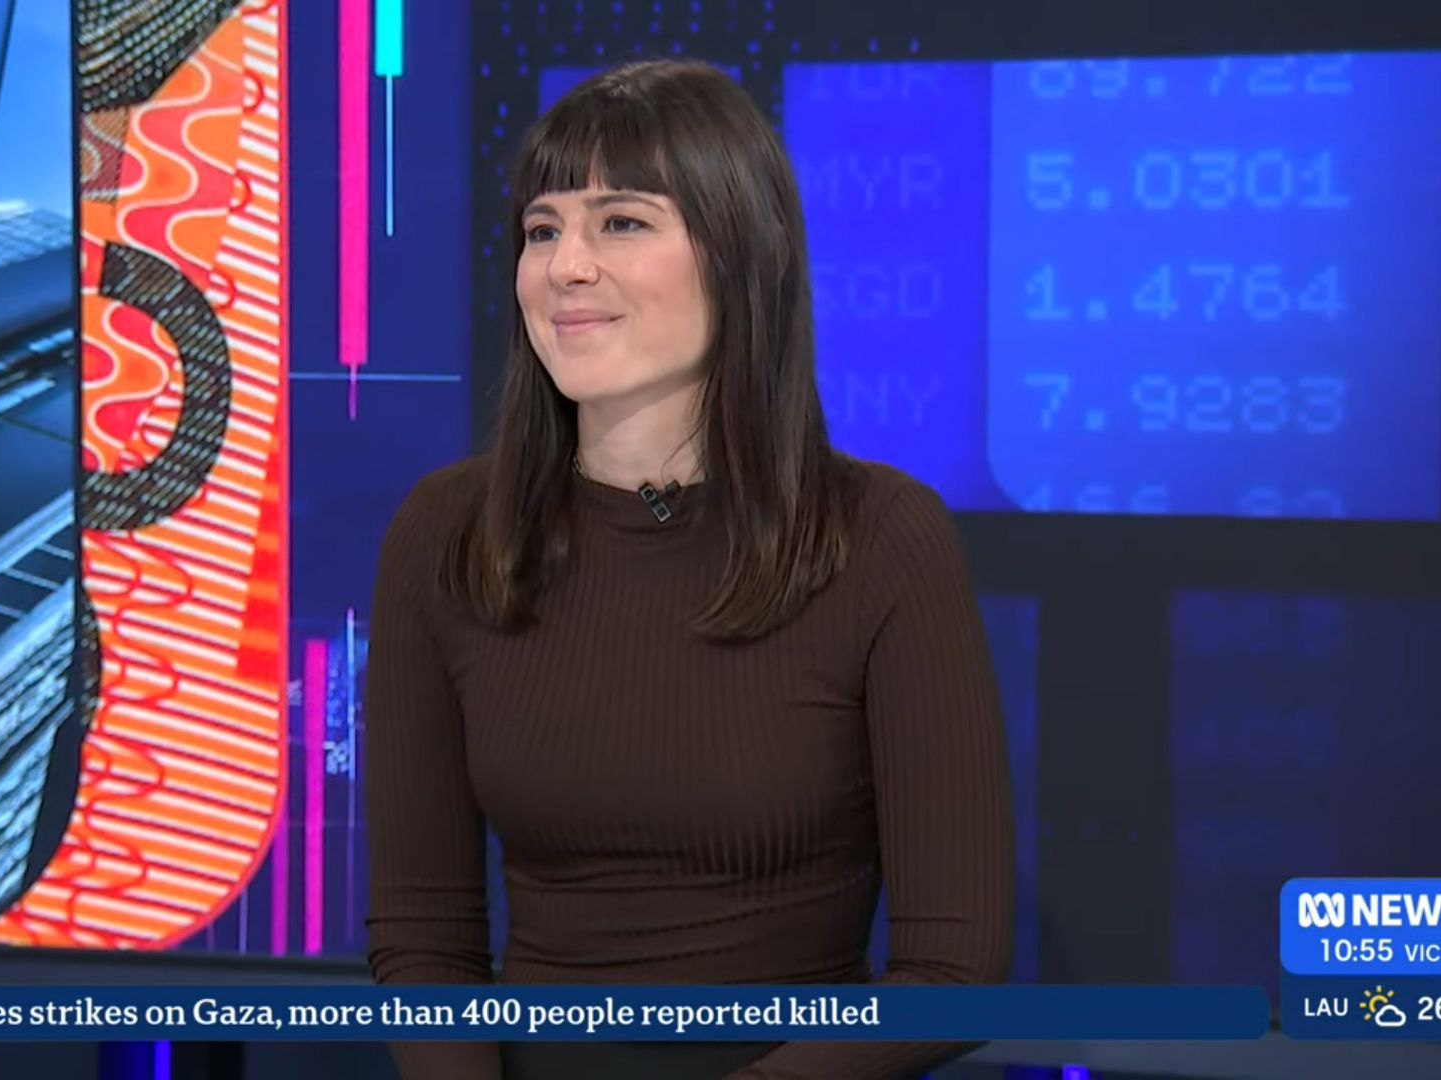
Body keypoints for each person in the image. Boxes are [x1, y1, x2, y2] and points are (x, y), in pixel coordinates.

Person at [362, 59, 1013, 1080]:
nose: (567, 268)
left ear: (742, 253)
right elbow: (422, 942)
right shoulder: (445, 535)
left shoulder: (881, 537)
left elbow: (956, 971)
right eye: (543, 230)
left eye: (621, 223)